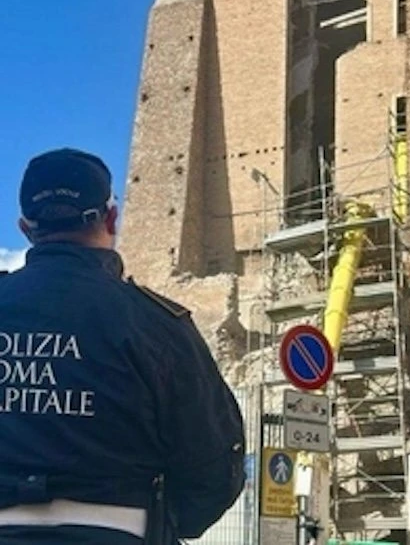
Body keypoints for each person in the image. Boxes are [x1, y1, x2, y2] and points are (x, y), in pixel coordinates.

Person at [0, 148, 245, 543]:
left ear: (26, 228)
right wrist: (167, 522)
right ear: (111, 219)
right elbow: (213, 465)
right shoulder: (156, 323)